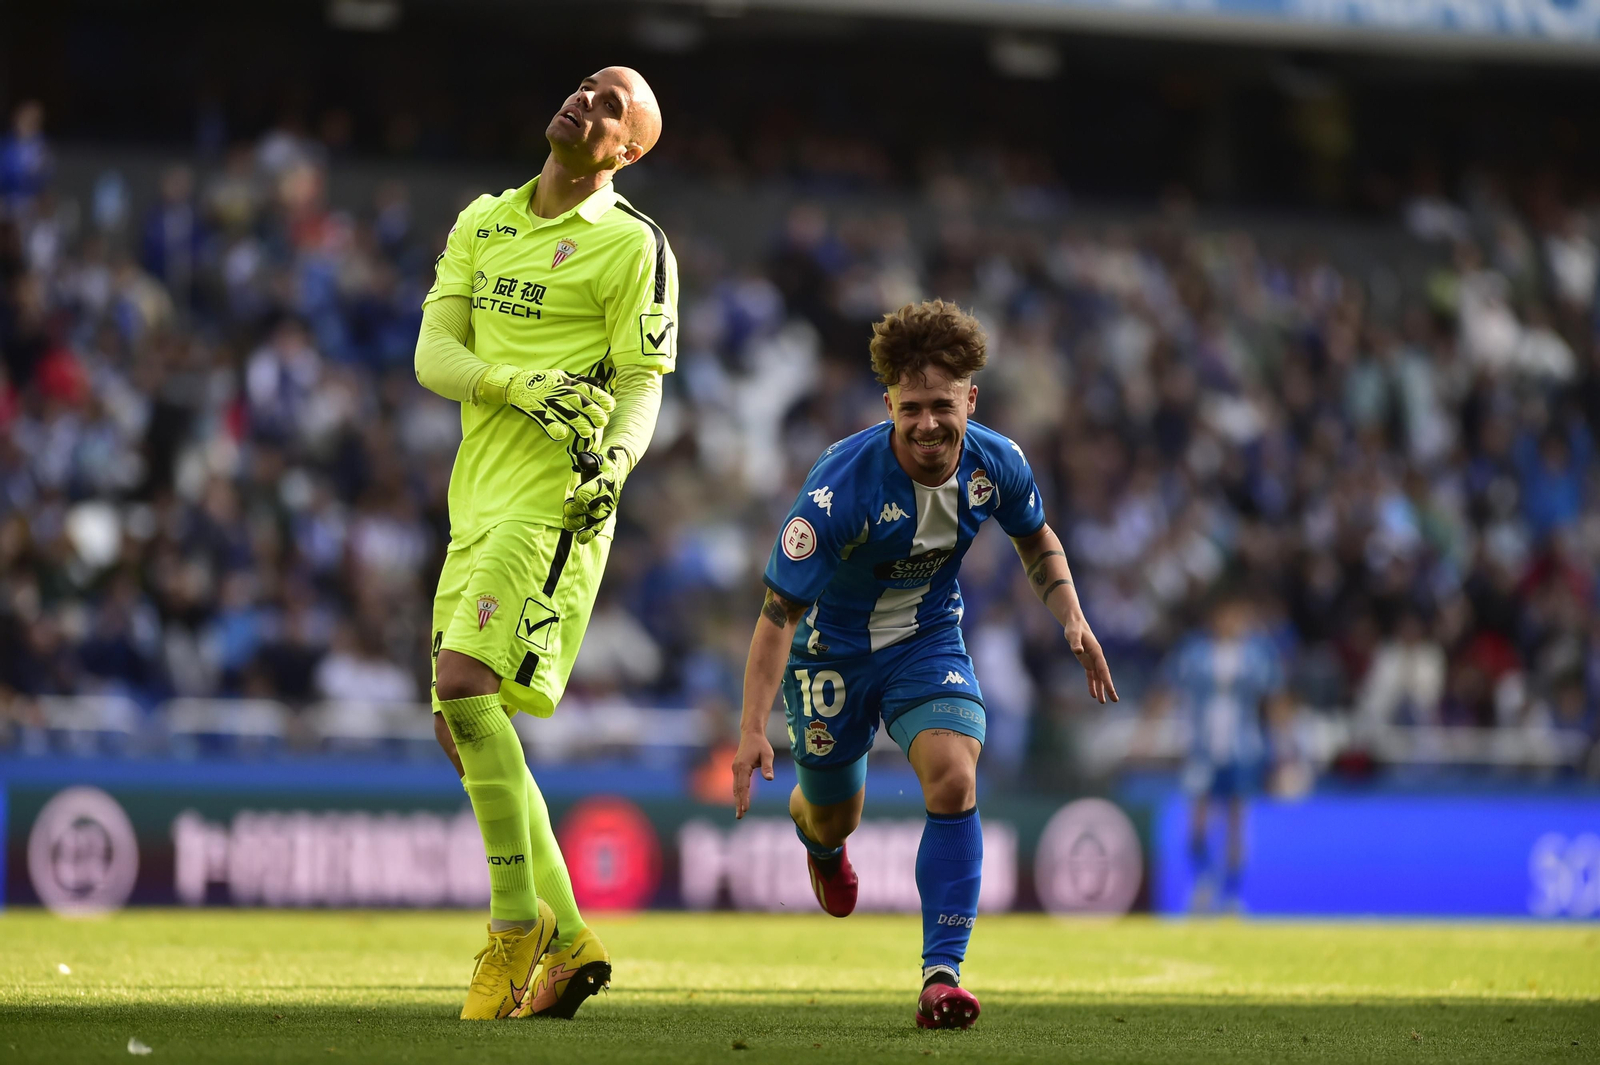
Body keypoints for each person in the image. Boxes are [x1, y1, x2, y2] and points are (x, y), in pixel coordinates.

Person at [731, 299, 1117, 1029]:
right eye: (911, 408)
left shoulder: (997, 462)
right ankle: (821, 840)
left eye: (943, 405)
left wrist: (1072, 615)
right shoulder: (840, 488)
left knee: (954, 773)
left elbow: (1036, 538)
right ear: (889, 406)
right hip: (832, 654)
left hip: (926, 640)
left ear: (971, 399)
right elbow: (778, 613)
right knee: (835, 813)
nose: (928, 424)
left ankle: (942, 975)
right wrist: (753, 728)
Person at [412, 66, 676, 1021]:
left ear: (627, 151)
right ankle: (569, 943)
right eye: (587, 88)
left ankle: (514, 924)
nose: (587, 103)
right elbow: (433, 355)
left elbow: (642, 380)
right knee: (456, 723)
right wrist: (514, 383)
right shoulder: (483, 220)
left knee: (463, 686)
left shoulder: (633, 244)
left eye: (613, 107)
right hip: (474, 499)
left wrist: (618, 462)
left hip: (556, 500)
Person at [1158, 592, 1287, 913]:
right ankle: (1204, 881)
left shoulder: (1257, 655)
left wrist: (1284, 745)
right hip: (1202, 750)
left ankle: (1230, 895)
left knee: (1236, 824)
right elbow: (1166, 690)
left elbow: (1274, 700)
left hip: (1243, 750)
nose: (1232, 622)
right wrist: (1150, 735)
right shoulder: (1194, 653)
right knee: (1198, 825)